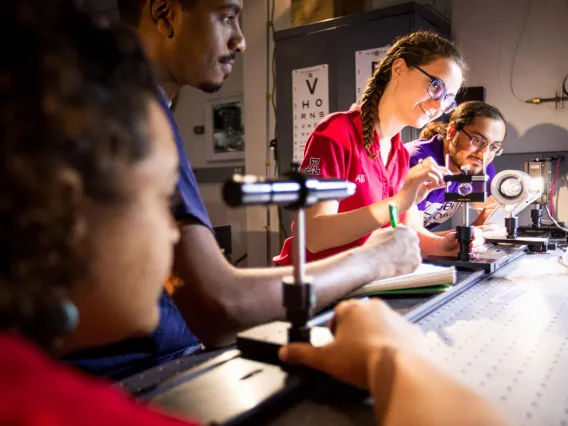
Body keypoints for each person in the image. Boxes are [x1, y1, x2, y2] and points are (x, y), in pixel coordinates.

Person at [0, 4, 510, 425]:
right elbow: (263, 271)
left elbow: (403, 231)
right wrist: (389, 347)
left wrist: (435, 243)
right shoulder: (336, 132)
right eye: (157, 197)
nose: (242, 40)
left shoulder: (399, 151)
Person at [62, 0, 423, 380]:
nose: (241, 40)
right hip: (139, 368)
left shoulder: (400, 151)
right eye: (227, 17)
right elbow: (226, 299)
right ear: (165, 13)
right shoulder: (128, 104)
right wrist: (372, 257)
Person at [274, 31, 484, 266]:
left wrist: (449, 244)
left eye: (447, 99)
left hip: (364, 281)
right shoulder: (336, 132)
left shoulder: (401, 155)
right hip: (312, 287)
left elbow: (412, 232)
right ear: (399, 70)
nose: (438, 104)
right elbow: (314, 236)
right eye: (436, 86)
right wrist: (399, 201)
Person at [406, 101, 506, 232]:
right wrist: (470, 233)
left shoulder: (479, 166)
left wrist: (476, 232)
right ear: (452, 131)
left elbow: (490, 217)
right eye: (477, 140)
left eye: (493, 147)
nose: (484, 154)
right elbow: (412, 237)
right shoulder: (418, 162)